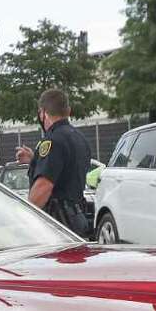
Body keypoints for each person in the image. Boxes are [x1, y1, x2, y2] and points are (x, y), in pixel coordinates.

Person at [24, 88, 93, 237]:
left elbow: (44, 186)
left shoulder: (52, 141)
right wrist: (34, 160)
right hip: (77, 220)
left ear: (42, 113)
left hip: (57, 224)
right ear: (68, 111)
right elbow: (66, 170)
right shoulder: (79, 138)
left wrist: (25, 220)